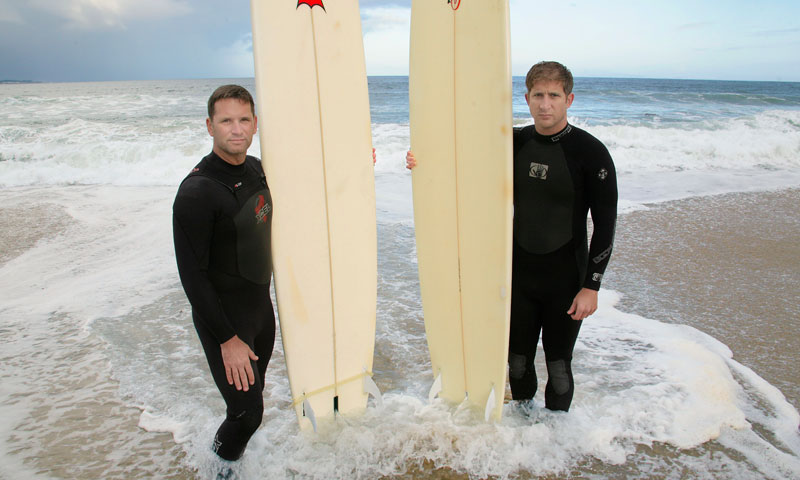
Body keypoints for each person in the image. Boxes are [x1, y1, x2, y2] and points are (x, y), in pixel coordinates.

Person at [406, 61, 617, 412]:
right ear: (526, 97)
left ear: (569, 100)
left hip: (566, 278)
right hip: (518, 276)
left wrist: (591, 286)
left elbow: (606, 223)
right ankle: (521, 430)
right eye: (538, 95)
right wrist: (421, 161)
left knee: (558, 366)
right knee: (516, 362)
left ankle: (553, 441)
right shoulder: (513, 143)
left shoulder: (590, 153)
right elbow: (463, 160)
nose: (545, 104)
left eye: (553, 95)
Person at [173, 84, 275, 464]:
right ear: (209, 126)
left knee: (253, 403)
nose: (236, 129)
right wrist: (228, 339)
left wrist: (363, 161)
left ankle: (233, 462)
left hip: (261, 313)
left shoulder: (258, 170)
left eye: (244, 119)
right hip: (224, 320)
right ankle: (216, 468)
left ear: (255, 124)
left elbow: (315, 182)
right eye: (226, 121)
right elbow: (192, 277)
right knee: (247, 414)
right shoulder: (197, 192)